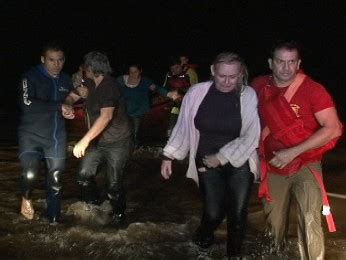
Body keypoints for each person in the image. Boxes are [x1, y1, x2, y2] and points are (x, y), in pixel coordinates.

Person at [161, 52, 260, 257]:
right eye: (222, 75)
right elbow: (183, 127)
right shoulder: (196, 93)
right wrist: (168, 155)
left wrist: (222, 157)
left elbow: (252, 134)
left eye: (233, 76)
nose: (227, 81)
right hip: (206, 162)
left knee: (238, 214)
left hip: (240, 161)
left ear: (240, 74)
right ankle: (203, 237)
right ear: (213, 71)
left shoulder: (248, 94)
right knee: (214, 213)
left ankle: (234, 255)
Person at [251, 40, 343, 259]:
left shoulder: (313, 89)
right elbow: (245, 122)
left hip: (306, 163)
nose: (286, 67)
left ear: (298, 63)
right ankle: (275, 253)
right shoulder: (258, 86)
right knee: (274, 223)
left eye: (291, 62)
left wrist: (292, 152)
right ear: (270, 63)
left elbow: (334, 128)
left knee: (310, 218)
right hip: (272, 166)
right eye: (280, 62)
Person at [69, 51, 133, 228]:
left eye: (85, 66)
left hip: (118, 143)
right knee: (83, 177)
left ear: (90, 68)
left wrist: (84, 141)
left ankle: (120, 214)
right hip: (98, 142)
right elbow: (74, 94)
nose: (83, 69)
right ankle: (95, 206)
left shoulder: (109, 86)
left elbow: (106, 117)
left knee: (113, 186)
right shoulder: (89, 82)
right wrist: (67, 103)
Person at [18, 42, 79, 224]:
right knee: (30, 174)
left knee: (56, 178)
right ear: (43, 59)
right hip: (30, 135)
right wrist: (59, 106)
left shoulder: (66, 79)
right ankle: (26, 197)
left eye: (60, 60)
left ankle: (54, 221)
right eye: (51, 60)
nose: (56, 65)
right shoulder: (30, 77)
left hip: (56, 137)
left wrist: (69, 108)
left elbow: (69, 99)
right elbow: (27, 104)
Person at [116, 63, 177, 148]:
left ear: (140, 71)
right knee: (123, 132)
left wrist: (169, 94)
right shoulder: (121, 80)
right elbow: (112, 90)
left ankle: (134, 149)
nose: (133, 74)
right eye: (131, 72)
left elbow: (157, 88)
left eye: (135, 72)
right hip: (124, 112)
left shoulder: (145, 81)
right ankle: (125, 148)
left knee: (135, 132)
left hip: (138, 113)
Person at [163, 56, 191, 138]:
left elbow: (193, 89)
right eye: (172, 69)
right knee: (171, 125)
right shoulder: (169, 75)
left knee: (185, 125)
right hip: (174, 105)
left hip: (186, 105)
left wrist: (179, 91)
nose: (174, 71)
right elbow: (165, 87)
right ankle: (170, 139)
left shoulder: (188, 74)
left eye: (176, 68)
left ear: (180, 66)